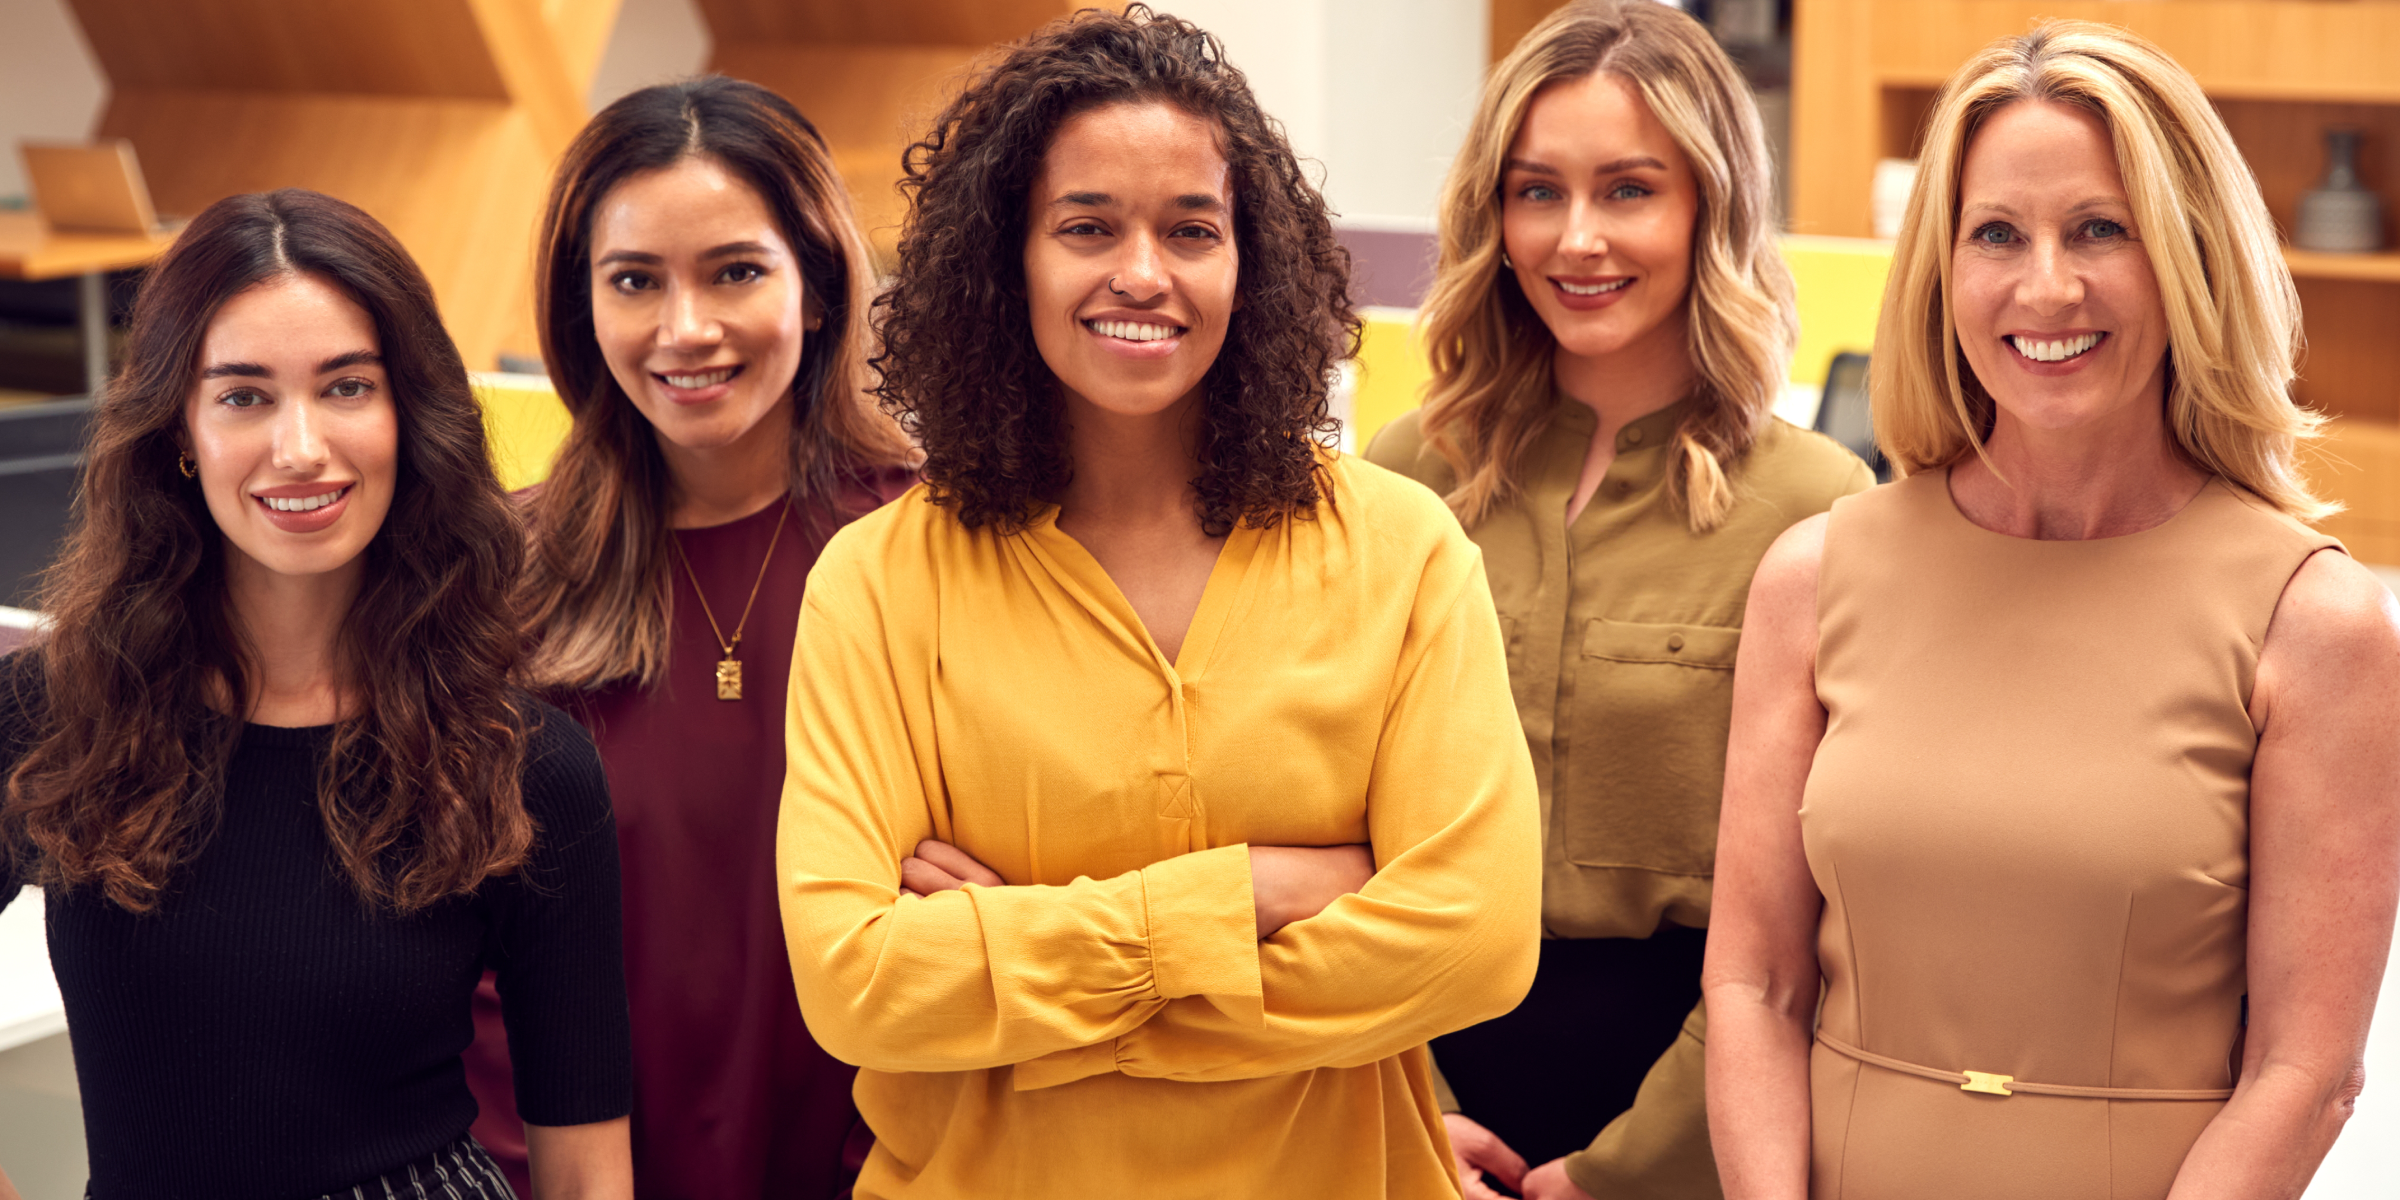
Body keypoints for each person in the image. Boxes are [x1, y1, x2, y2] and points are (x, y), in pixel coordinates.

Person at [772, 8, 1542, 1197]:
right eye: (1087, 226)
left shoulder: (1403, 551)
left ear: (1252, 262)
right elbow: (855, 982)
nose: (1143, 272)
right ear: (1005, 260)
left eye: (1192, 228)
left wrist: (1034, 986)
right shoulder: (878, 582)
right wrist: (1243, 897)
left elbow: (1479, 943)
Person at [1706, 22, 2399, 1200]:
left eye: (2099, 231)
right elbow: (1753, 988)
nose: (2047, 287)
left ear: (2187, 260)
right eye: (1997, 235)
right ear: (1942, 269)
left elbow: (2306, 1067)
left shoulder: (2316, 623)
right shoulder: (1812, 578)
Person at [0, 189, 632, 1200]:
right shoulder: (50, 712)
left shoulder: (524, 763)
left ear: (407, 415)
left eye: (346, 387)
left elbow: (587, 1158)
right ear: (178, 429)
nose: (300, 447)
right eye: (244, 395)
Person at [1366, 3, 1870, 1197]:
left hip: (1696, 1101)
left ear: (1711, 207)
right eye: (1538, 192)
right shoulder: (1403, 478)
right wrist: (1401, 1114)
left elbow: (1824, 916)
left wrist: (1632, 1173)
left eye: (1630, 190)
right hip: (1405, 1077)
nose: (1576, 238)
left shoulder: (1819, 507)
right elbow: (1334, 828)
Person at [460, 77, 917, 1199]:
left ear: (816, 287)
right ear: (585, 311)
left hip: (888, 1160)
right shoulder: (502, 576)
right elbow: (469, 949)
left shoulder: (933, 548)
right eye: (635, 282)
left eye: (736, 271)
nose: (686, 329)